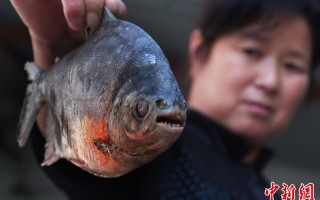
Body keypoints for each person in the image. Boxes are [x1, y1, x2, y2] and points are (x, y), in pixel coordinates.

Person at [10, 0, 320, 199]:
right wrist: (53, 50)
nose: (270, 81)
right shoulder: (157, 154)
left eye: (292, 65)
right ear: (199, 52)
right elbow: (84, 167)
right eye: (252, 51)